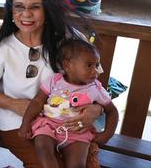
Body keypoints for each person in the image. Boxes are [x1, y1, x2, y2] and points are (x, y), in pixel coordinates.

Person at [0, 0, 104, 168]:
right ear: (11, 10)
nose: (26, 14)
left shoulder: (72, 42)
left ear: (48, 9)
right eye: (19, 7)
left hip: (65, 120)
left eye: (35, 7)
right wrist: (13, 104)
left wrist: (96, 109)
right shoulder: (1, 48)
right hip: (17, 123)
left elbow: (94, 83)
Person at [18, 39, 118, 168]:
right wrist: (25, 124)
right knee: (43, 148)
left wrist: (107, 134)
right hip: (49, 126)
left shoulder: (95, 88)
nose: (95, 71)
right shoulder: (55, 81)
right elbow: (37, 102)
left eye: (96, 65)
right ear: (67, 65)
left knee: (77, 165)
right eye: (89, 65)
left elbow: (112, 111)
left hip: (78, 132)